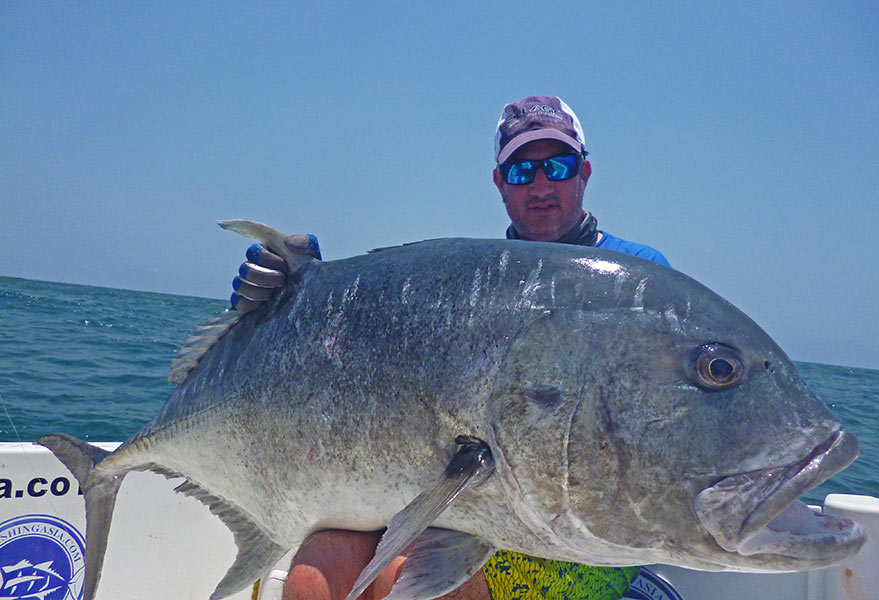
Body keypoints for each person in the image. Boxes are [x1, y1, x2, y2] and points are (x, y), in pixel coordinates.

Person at [228, 96, 669, 600]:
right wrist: (298, 299)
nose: (542, 185)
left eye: (558, 166)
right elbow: (379, 365)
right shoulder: (476, 286)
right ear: (501, 184)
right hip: (473, 512)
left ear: (584, 173)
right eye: (523, 171)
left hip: (568, 549)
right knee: (318, 571)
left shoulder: (638, 280)